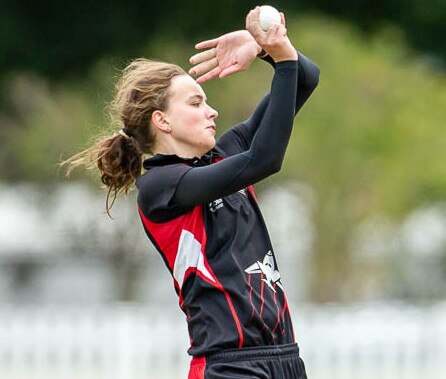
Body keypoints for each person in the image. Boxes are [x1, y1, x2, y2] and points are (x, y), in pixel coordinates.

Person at [64, 6, 319, 379]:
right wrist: (280, 58)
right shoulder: (160, 186)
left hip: (285, 359)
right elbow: (264, 159)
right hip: (229, 366)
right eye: (196, 103)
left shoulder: (222, 155)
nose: (212, 111)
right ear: (161, 120)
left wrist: (269, 48)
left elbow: (305, 79)